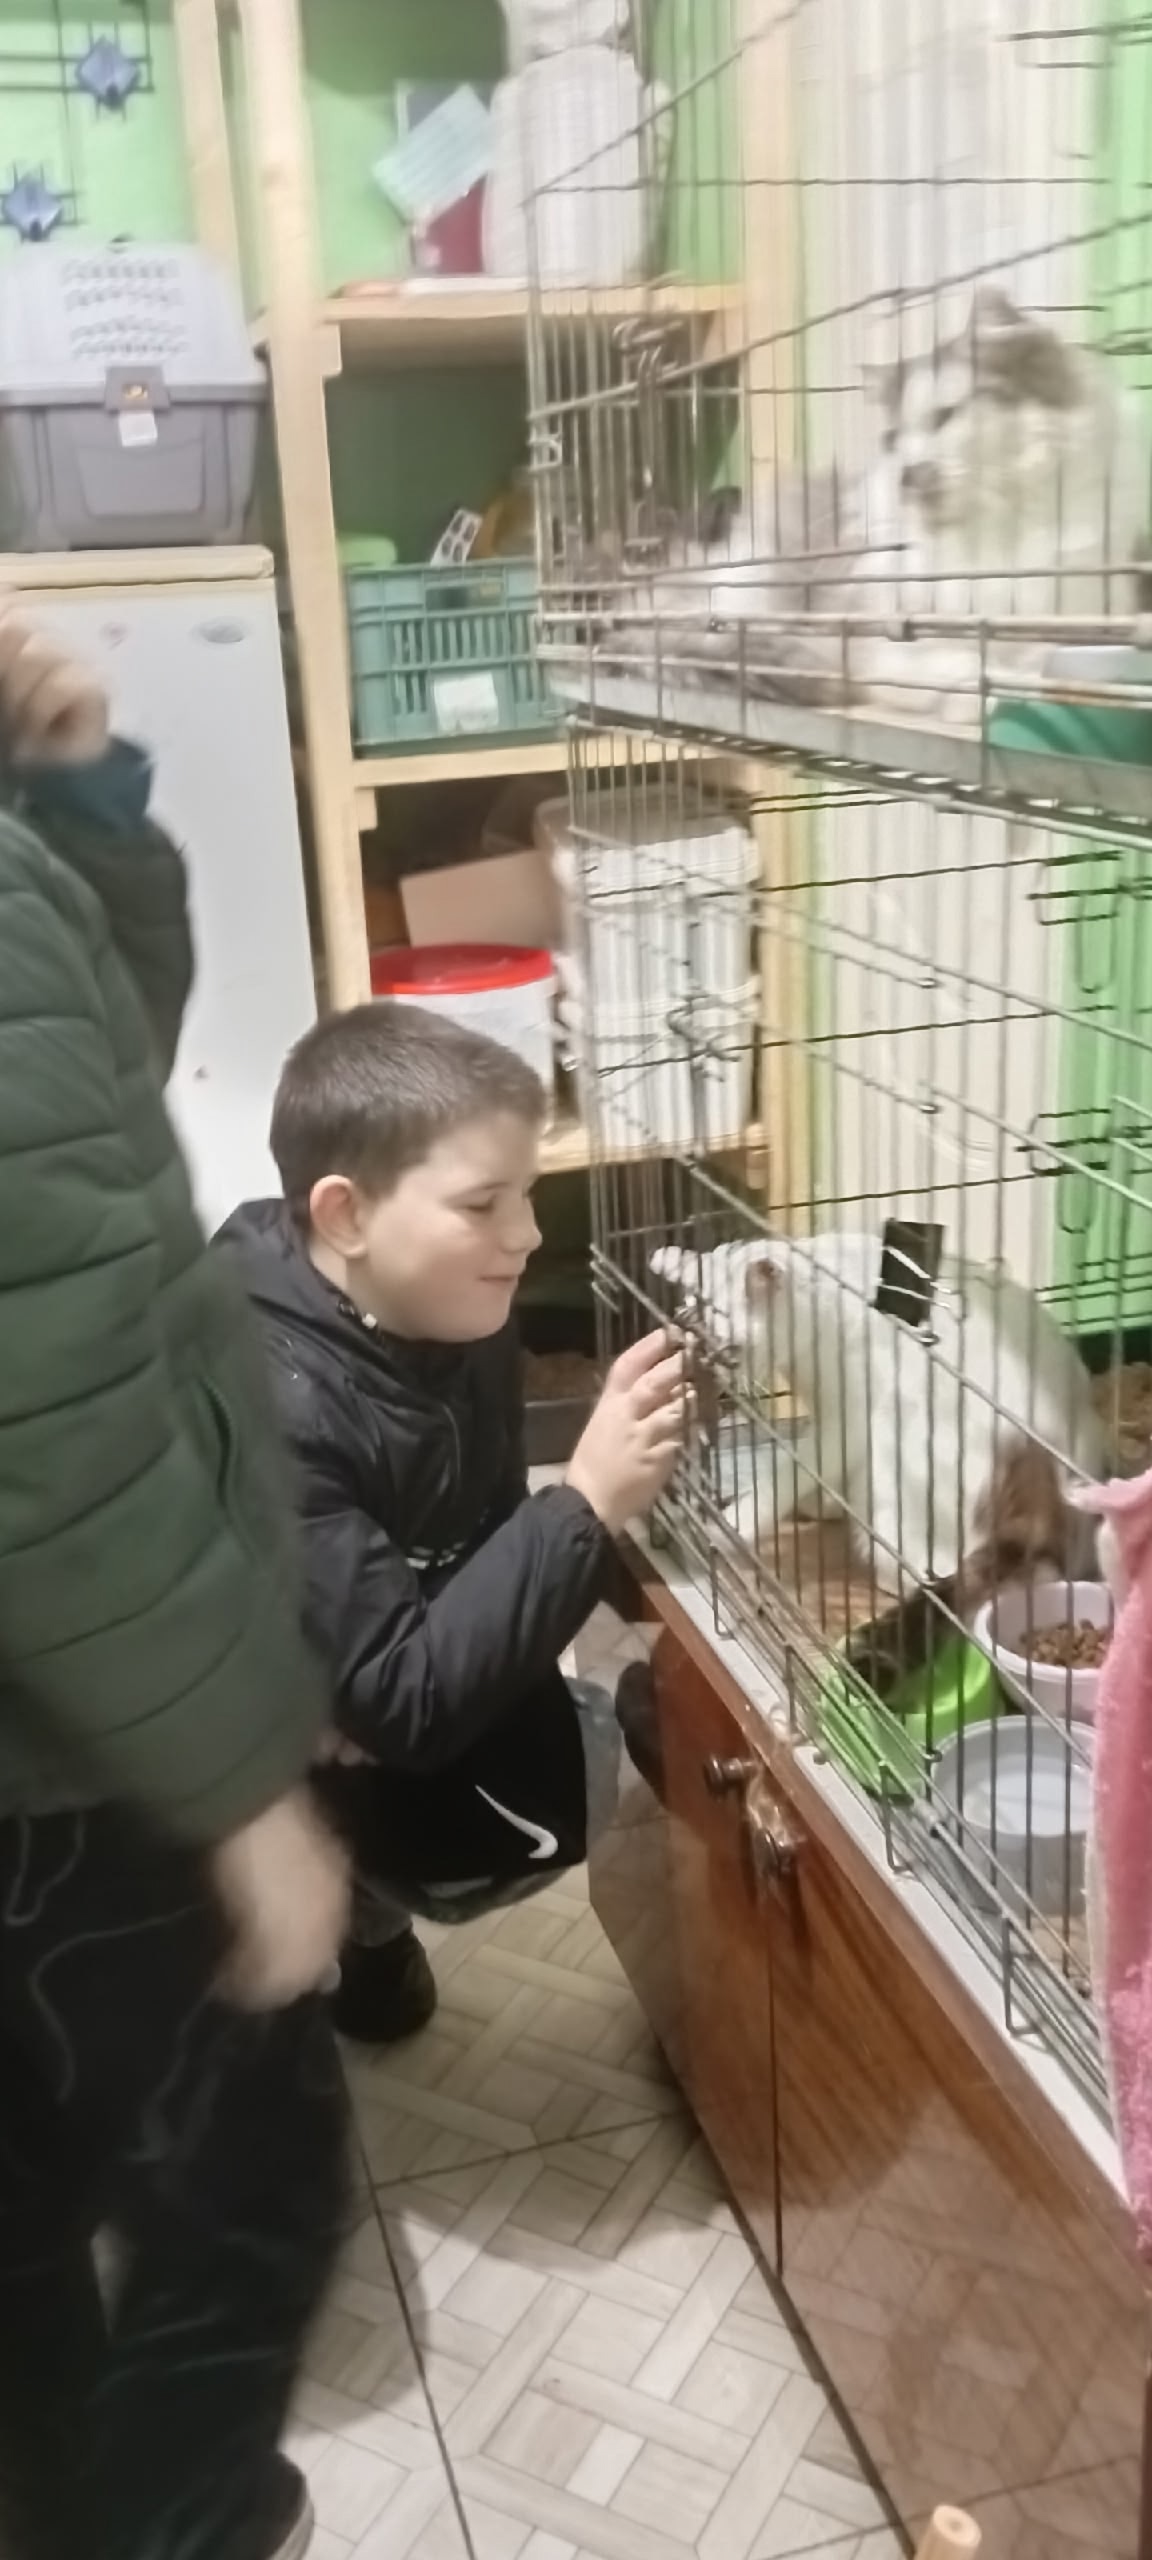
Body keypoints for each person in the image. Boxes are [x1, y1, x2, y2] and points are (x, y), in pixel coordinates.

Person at [0, 606, 352, 2560]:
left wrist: (69, 792)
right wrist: (240, 1792)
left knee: (26, 2220)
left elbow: (102, 1057)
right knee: (250, 2188)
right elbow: (45, 1427)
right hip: (74, 1772)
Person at [216, 1000, 687, 2043]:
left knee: (539, 1751)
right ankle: (327, 1929)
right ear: (345, 1215)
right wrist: (586, 1500)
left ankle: (366, 1920)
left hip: (356, 1659)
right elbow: (401, 1703)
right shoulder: (270, 1406)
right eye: (483, 1204)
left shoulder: (447, 1299)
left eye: (527, 1194)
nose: (527, 1236)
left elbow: (479, 1516)